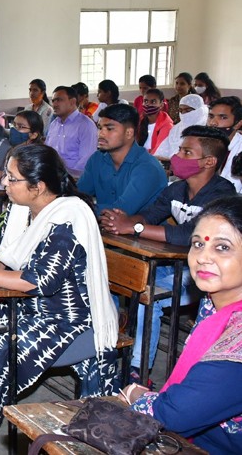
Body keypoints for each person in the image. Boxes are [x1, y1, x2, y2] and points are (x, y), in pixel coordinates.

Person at [0, 144, 118, 453]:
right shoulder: (28, 212)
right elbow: (14, 258)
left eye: (11, 178)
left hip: (75, 324)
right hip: (36, 312)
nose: (4, 183)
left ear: (37, 186)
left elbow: (40, 279)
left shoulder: (66, 219)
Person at [101, 126, 236, 383]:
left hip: (204, 276)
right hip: (175, 265)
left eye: (186, 152)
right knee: (114, 276)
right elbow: (151, 215)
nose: (177, 157)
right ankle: (112, 343)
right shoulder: (177, 188)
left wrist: (135, 227)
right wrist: (126, 220)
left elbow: (190, 234)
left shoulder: (222, 194)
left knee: (146, 296)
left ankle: (137, 372)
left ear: (209, 161)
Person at [122, 196, 242, 454]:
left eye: (222, 248)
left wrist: (136, 394)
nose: (202, 258)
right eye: (197, 244)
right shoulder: (213, 304)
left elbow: (172, 416)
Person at [78, 103, 167, 215]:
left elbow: (120, 211)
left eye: (109, 129)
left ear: (129, 133)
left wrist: (78, 209)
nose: (101, 134)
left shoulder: (147, 167)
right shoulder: (97, 159)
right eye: (100, 128)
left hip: (142, 230)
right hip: (105, 228)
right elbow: (78, 196)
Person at [46, 86, 98, 173]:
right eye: (53, 101)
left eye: (59, 100)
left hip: (74, 178)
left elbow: (86, 160)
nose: (54, 104)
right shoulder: (54, 124)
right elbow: (48, 152)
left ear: (72, 101)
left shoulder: (85, 125)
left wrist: (69, 178)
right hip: (53, 174)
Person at [153, 93, 208, 160]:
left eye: (188, 110)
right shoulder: (176, 129)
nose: (183, 114)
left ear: (199, 110)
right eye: (181, 111)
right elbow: (163, 150)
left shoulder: (206, 130)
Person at [207, 96, 242, 193]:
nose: (213, 123)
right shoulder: (202, 143)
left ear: (238, 124)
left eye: (223, 117)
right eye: (211, 116)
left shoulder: (240, 149)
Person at [137, 88, 173, 155]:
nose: (148, 105)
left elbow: (159, 151)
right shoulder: (140, 120)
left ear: (161, 105)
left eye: (153, 102)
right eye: (146, 101)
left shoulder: (166, 125)